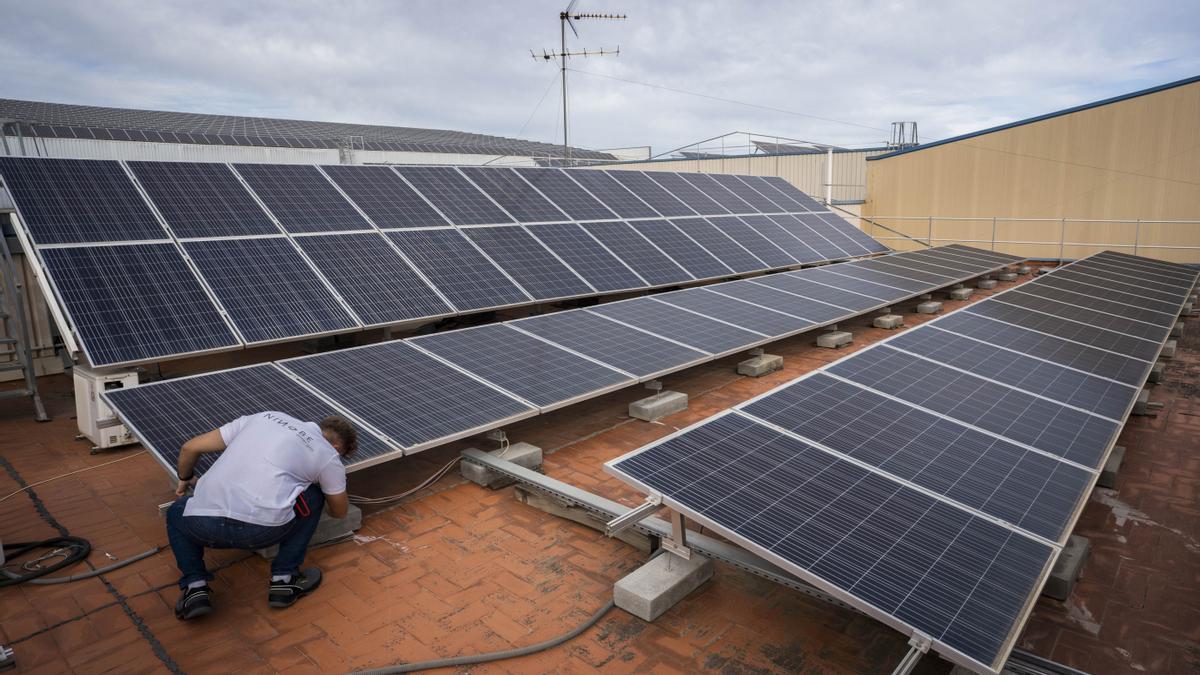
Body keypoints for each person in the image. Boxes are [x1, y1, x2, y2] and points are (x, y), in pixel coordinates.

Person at [165, 411, 357, 620]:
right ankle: (284, 581)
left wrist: (185, 477)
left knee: (177, 510)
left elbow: (190, 447)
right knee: (312, 497)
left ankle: (195, 588)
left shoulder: (264, 417)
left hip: (203, 525)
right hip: (261, 532)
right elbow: (339, 512)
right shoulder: (328, 455)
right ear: (337, 447)